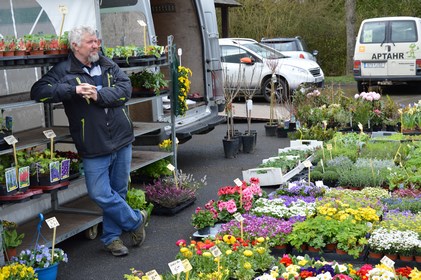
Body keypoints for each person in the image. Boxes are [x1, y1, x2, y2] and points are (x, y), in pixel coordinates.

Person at [30, 25, 147, 257]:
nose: (96, 45)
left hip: (122, 138)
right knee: (99, 193)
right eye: (91, 42)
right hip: (93, 143)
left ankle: (112, 238)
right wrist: (73, 90)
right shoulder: (63, 71)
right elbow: (38, 91)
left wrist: (98, 95)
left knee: (118, 191)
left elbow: (125, 90)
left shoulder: (107, 64)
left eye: (97, 41)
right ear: (75, 46)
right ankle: (135, 220)